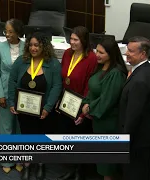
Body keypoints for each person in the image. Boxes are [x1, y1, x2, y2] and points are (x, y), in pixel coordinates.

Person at [8, 32, 62, 180]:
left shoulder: (53, 64)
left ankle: (40, 164)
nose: (33, 48)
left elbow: (57, 86)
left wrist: (48, 107)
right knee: (27, 137)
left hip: (44, 111)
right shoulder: (21, 61)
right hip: (25, 109)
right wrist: (11, 102)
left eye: (37, 45)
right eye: (30, 45)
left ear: (44, 46)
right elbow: (12, 82)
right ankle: (27, 165)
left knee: (42, 138)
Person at [81, 37, 127, 180]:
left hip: (108, 123)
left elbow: (107, 100)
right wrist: (86, 102)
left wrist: (89, 108)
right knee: (101, 161)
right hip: (98, 122)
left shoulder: (116, 73)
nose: (97, 55)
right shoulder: (100, 68)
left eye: (102, 53)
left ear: (111, 54)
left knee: (107, 165)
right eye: (97, 51)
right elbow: (92, 89)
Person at [56, 26, 97, 180]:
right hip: (66, 101)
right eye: (71, 39)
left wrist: (82, 112)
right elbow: (63, 78)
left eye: (75, 40)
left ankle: (79, 171)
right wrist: (59, 99)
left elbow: (89, 86)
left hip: (80, 104)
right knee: (67, 136)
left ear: (84, 41)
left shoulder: (91, 58)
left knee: (79, 138)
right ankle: (71, 169)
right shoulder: (67, 53)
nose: (71, 42)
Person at [119, 36, 150, 180]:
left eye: (131, 51)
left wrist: (124, 140)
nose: (126, 53)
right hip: (145, 139)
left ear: (143, 54)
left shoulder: (140, 80)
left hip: (137, 141)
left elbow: (133, 115)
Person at [0, 18, 25, 173]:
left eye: (11, 31)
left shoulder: (27, 46)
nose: (7, 34)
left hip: (23, 94)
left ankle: (19, 159)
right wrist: (0, 94)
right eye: (6, 31)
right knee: (6, 128)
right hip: (4, 92)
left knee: (19, 127)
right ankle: (6, 160)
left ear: (18, 32)